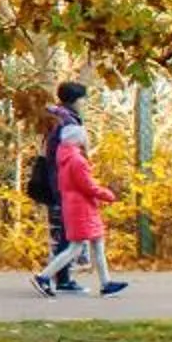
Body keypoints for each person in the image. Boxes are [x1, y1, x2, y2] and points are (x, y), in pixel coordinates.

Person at [35, 122, 129, 298]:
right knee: (76, 247)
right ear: (78, 139)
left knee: (96, 243)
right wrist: (107, 194)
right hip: (82, 207)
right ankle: (44, 276)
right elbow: (87, 185)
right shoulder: (77, 160)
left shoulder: (64, 158)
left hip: (75, 205)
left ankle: (106, 283)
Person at [30, 81, 87, 294]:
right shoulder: (68, 122)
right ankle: (57, 277)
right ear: (75, 100)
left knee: (64, 230)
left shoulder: (54, 117)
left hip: (55, 179)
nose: (84, 102)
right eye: (82, 98)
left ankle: (61, 276)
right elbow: (74, 153)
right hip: (65, 181)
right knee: (69, 232)